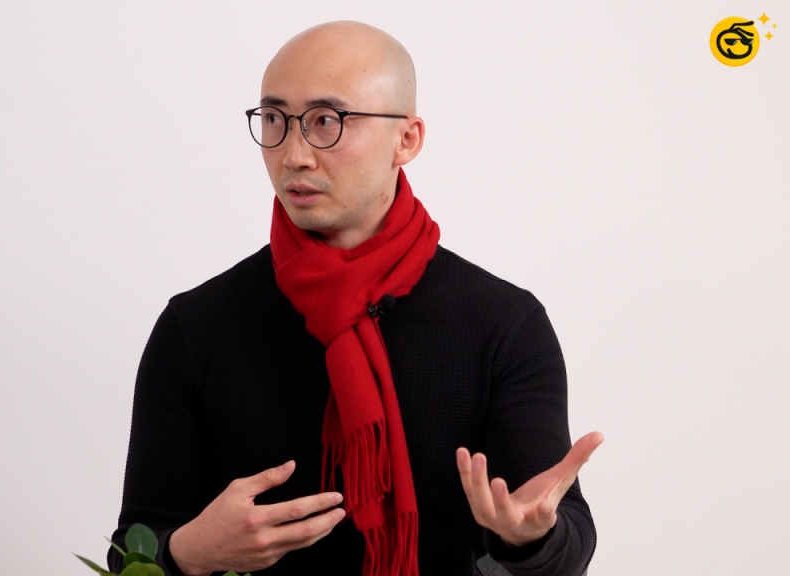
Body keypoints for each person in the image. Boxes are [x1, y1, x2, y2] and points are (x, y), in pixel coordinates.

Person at [109, 21, 602, 576]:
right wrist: (189, 553)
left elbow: (563, 537)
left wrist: (530, 539)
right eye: (274, 119)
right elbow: (133, 549)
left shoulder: (503, 324)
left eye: (327, 121)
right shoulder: (196, 325)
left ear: (407, 140)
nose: (294, 155)